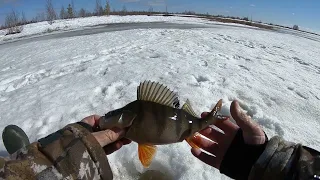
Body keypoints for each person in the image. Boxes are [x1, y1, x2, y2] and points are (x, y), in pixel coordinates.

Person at [1, 100, 319, 179]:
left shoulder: (123, 121)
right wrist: (265, 164)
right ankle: (39, 162)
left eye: (114, 115)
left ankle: (33, 164)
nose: (108, 119)